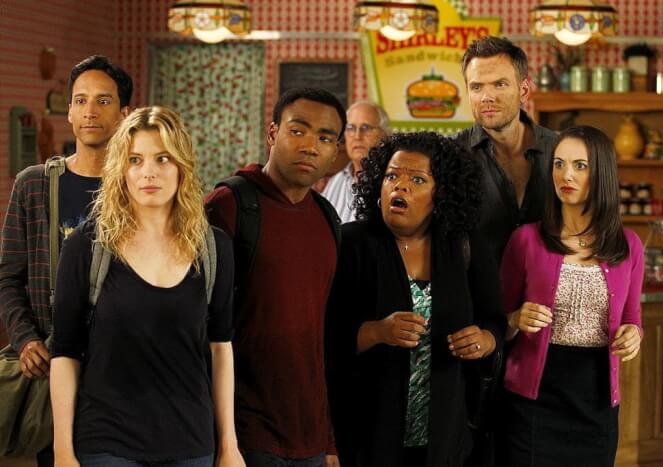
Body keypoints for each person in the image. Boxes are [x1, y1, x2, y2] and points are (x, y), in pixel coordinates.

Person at [49, 106, 244, 467]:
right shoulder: (86, 246)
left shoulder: (213, 247)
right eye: (135, 160)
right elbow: (64, 353)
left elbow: (221, 348)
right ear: (120, 169)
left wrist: (229, 446)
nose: (148, 172)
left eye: (162, 158)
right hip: (106, 443)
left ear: (182, 167)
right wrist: (63, 452)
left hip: (191, 443)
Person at [325, 132, 505, 467]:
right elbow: (323, 338)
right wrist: (377, 331)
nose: (400, 186)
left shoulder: (465, 246)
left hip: (446, 438)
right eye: (392, 176)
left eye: (417, 179)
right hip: (366, 437)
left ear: (442, 193)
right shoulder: (349, 245)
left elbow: (494, 320)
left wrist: (484, 340)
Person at [0, 55, 132, 466]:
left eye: (104, 101)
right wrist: (25, 339)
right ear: (70, 112)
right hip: (51, 366)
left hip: (121, 374)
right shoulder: (34, 185)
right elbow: (8, 277)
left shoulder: (140, 187)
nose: (90, 111)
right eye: (80, 100)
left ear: (124, 113)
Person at [205, 88, 346, 467]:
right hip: (241, 434)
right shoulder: (229, 205)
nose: (310, 146)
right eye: (298, 131)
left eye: (325, 138)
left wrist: (328, 438)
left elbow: (323, 337)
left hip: (309, 437)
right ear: (272, 133)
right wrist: (221, 439)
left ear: (335, 151)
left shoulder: (327, 219)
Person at [499, 125, 644, 467]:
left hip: (596, 405)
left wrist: (634, 335)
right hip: (532, 403)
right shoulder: (525, 240)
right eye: (559, 164)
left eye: (580, 165)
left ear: (602, 173)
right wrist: (515, 319)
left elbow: (632, 319)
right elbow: (496, 323)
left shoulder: (629, 246)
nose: (566, 175)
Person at [456, 36, 557, 262]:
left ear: (524, 91)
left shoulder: (559, 149)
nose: (487, 97)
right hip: (477, 284)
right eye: (476, 87)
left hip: (547, 283)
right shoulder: (452, 155)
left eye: (499, 84)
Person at [322, 100, 390, 222]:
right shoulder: (336, 181)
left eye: (366, 128)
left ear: (384, 135)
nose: (357, 136)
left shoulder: (390, 185)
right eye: (351, 128)